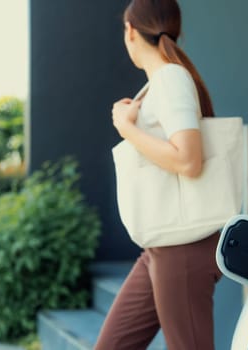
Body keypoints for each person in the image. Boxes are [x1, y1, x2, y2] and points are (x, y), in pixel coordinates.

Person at [93, 0, 222, 349]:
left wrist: (125, 127)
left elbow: (187, 159)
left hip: (183, 247)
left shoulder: (170, 79)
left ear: (131, 31)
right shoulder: (162, 83)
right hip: (162, 245)